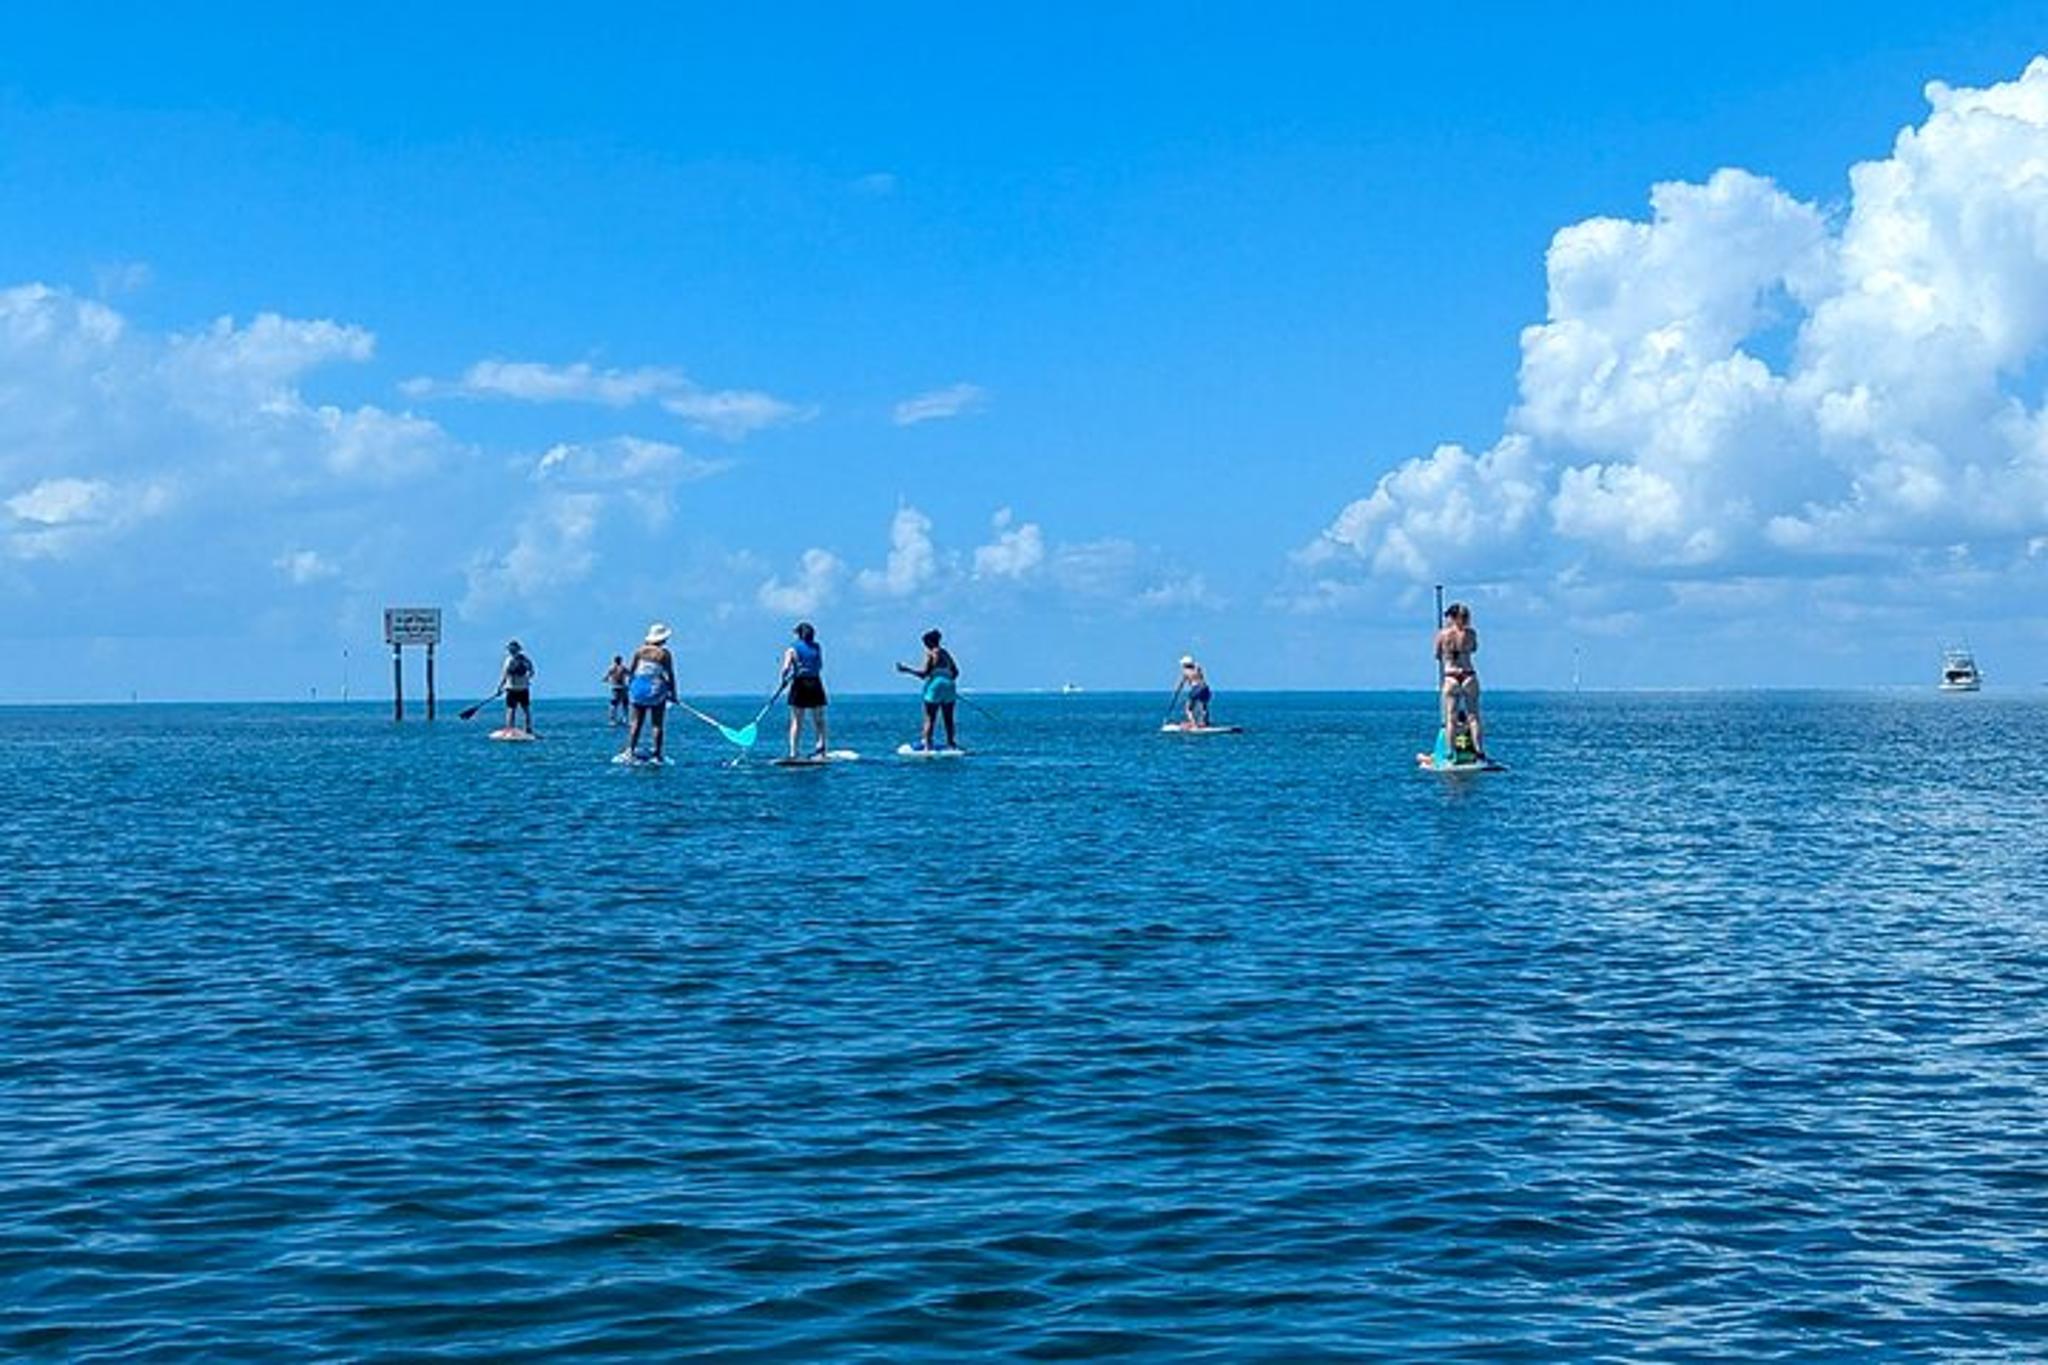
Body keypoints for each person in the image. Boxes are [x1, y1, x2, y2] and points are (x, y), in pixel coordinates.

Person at [895, 628, 961, 751]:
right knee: (948, 718)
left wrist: (907, 670)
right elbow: (956, 672)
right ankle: (951, 744)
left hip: (935, 686)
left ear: (929, 643)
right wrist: (945, 679)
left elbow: (924, 674)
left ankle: (927, 746)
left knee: (930, 718)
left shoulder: (930, 653)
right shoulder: (946, 653)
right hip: (949, 685)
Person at [1435, 601, 1486, 758]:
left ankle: (1451, 751)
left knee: (1451, 717)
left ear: (1452, 617)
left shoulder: (1442, 634)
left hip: (1451, 676)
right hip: (1469, 674)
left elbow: (1437, 655)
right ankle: (1479, 750)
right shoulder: (1471, 634)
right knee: (1473, 716)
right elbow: (1473, 649)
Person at [623, 623, 677, 761]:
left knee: (636, 722)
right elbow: (670, 674)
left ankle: (630, 750)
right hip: (656, 690)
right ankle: (658, 754)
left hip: (639, 688)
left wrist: (630, 689)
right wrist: (673, 694)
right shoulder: (664, 654)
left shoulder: (639, 651)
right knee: (657, 724)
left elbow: (632, 671)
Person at [780, 621, 829, 758]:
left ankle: (793, 752)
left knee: (797, 720)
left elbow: (785, 668)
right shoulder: (817, 647)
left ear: (799, 635)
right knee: (819, 719)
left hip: (799, 684)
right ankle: (821, 748)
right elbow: (819, 666)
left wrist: (784, 680)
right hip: (815, 683)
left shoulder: (792, 649)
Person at [500, 641, 536, 733]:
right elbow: (532, 672)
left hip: (512, 688)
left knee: (511, 709)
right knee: (525, 709)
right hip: (523, 688)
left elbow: (505, 675)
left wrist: (500, 687)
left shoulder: (508, 660)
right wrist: (527, 680)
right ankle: (528, 729)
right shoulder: (525, 659)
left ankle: (510, 729)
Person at [1177, 655, 1212, 728]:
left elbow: (1181, 683)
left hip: (1196, 688)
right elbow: (1202, 677)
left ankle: (1193, 723)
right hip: (1205, 688)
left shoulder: (1185, 671)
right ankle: (1205, 722)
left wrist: (1177, 691)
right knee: (1204, 706)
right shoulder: (1197, 667)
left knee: (1188, 708)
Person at [603, 654, 630, 726]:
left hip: (615, 688)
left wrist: (607, 681)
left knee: (614, 705)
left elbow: (605, 678)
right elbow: (630, 674)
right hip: (622, 688)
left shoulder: (611, 668)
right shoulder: (623, 668)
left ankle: (613, 720)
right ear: (620, 661)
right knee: (624, 704)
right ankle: (625, 719)